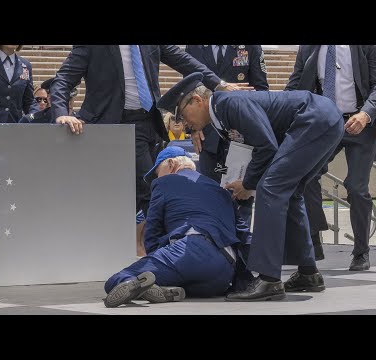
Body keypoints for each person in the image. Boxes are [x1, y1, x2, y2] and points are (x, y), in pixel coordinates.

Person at [157, 72, 345, 301]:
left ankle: (269, 280)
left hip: (314, 119)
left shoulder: (229, 103)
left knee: (271, 189)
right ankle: (308, 273)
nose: (184, 124)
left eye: (182, 114)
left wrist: (248, 184)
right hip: (322, 119)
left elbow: (266, 146)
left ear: (197, 100)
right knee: (290, 193)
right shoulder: (220, 116)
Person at [51, 45, 238, 218]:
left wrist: (218, 84)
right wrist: (61, 113)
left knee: (141, 191)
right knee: (151, 190)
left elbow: (183, 60)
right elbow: (64, 78)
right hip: (116, 125)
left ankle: (140, 242)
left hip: (151, 123)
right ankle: (162, 244)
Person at [104, 146, 252, 308]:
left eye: (157, 172)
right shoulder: (221, 190)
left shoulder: (164, 183)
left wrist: (155, 260)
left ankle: (142, 286)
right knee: (186, 284)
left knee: (117, 280)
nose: (157, 177)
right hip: (223, 271)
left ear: (171, 163)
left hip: (189, 251)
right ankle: (165, 290)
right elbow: (244, 237)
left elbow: (152, 231)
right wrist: (248, 279)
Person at [285, 45, 376, 270]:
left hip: (360, 124)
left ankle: (361, 252)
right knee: (306, 175)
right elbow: (295, 85)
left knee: (357, 188)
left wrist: (366, 114)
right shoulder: (308, 49)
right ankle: (314, 240)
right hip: (324, 124)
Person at [186, 45, 269, 228]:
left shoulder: (250, 47)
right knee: (210, 194)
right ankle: (215, 248)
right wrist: (194, 128)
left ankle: (240, 249)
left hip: (241, 135)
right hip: (208, 136)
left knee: (240, 197)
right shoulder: (194, 47)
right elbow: (188, 90)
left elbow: (261, 89)